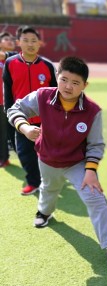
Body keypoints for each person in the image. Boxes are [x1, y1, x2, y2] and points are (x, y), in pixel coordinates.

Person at [6, 56, 107, 269]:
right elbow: (15, 109)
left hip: (76, 163)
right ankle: (44, 212)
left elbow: (95, 145)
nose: (68, 86)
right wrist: (25, 127)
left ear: (85, 85)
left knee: (95, 198)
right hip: (47, 158)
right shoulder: (43, 96)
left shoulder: (92, 111)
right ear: (57, 78)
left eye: (75, 82)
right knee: (49, 188)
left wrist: (91, 170)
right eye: (64, 80)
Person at [3, 25, 57, 195]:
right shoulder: (10, 63)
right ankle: (34, 182)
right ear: (19, 42)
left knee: (47, 153)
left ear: (39, 43)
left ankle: (50, 180)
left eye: (34, 40)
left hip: (44, 119)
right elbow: (8, 90)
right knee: (25, 153)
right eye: (25, 40)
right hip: (21, 119)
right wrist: (9, 112)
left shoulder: (47, 65)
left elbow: (55, 92)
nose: (30, 44)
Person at [0, 31, 17, 167]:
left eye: (12, 39)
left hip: (16, 102)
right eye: (6, 39)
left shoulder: (16, 57)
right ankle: (3, 159)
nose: (10, 41)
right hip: (1, 102)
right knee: (2, 132)